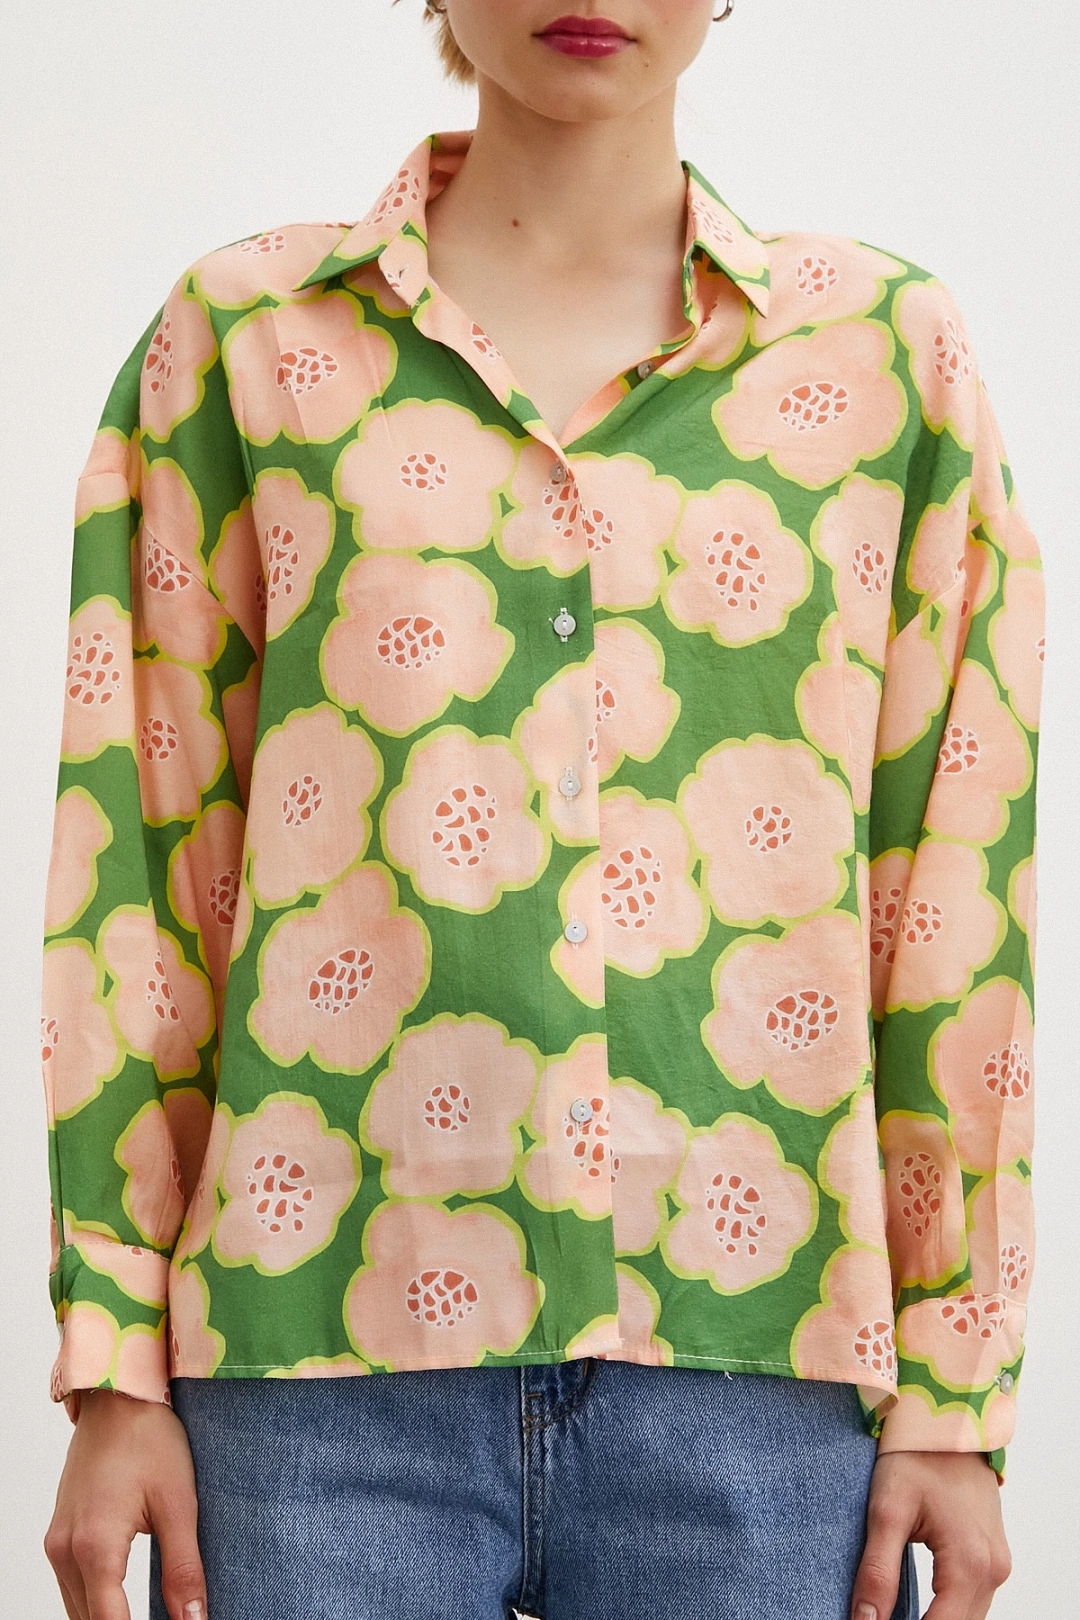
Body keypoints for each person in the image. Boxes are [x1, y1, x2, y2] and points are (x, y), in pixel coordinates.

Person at [39, 3, 1044, 1618]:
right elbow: (144, 867)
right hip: (306, 1383)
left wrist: (958, 1390)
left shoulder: (884, 358)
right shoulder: (243, 343)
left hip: (767, 1380)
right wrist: (113, 1372)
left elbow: (952, 880)